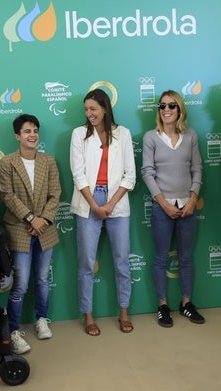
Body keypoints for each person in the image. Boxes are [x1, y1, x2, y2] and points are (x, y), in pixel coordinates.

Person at [70, 88, 136, 336]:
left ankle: (124, 312)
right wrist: (95, 205)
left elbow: (130, 175)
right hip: (89, 199)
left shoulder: (123, 134)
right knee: (87, 262)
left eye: (93, 109)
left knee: (122, 261)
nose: (89, 114)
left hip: (117, 200)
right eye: (86, 110)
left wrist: (110, 204)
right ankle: (88, 315)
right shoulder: (79, 134)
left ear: (105, 109)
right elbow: (77, 173)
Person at [0, 114, 61, 354]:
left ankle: (42, 319)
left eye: (35, 130)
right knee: (21, 284)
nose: (32, 134)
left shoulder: (49, 161)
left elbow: (55, 193)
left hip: (46, 228)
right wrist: (30, 218)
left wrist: (42, 219)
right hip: (19, 228)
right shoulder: (8, 162)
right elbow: (7, 195)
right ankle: (13, 330)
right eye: (27, 131)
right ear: (17, 136)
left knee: (43, 279)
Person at [141, 90, 205, 328]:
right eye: (162, 106)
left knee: (187, 258)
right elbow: (147, 172)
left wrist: (192, 199)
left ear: (180, 110)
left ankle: (187, 303)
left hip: (188, 206)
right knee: (160, 258)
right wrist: (164, 203)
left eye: (172, 105)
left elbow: (197, 169)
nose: (166, 109)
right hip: (162, 208)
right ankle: (162, 306)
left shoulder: (191, 136)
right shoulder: (150, 137)